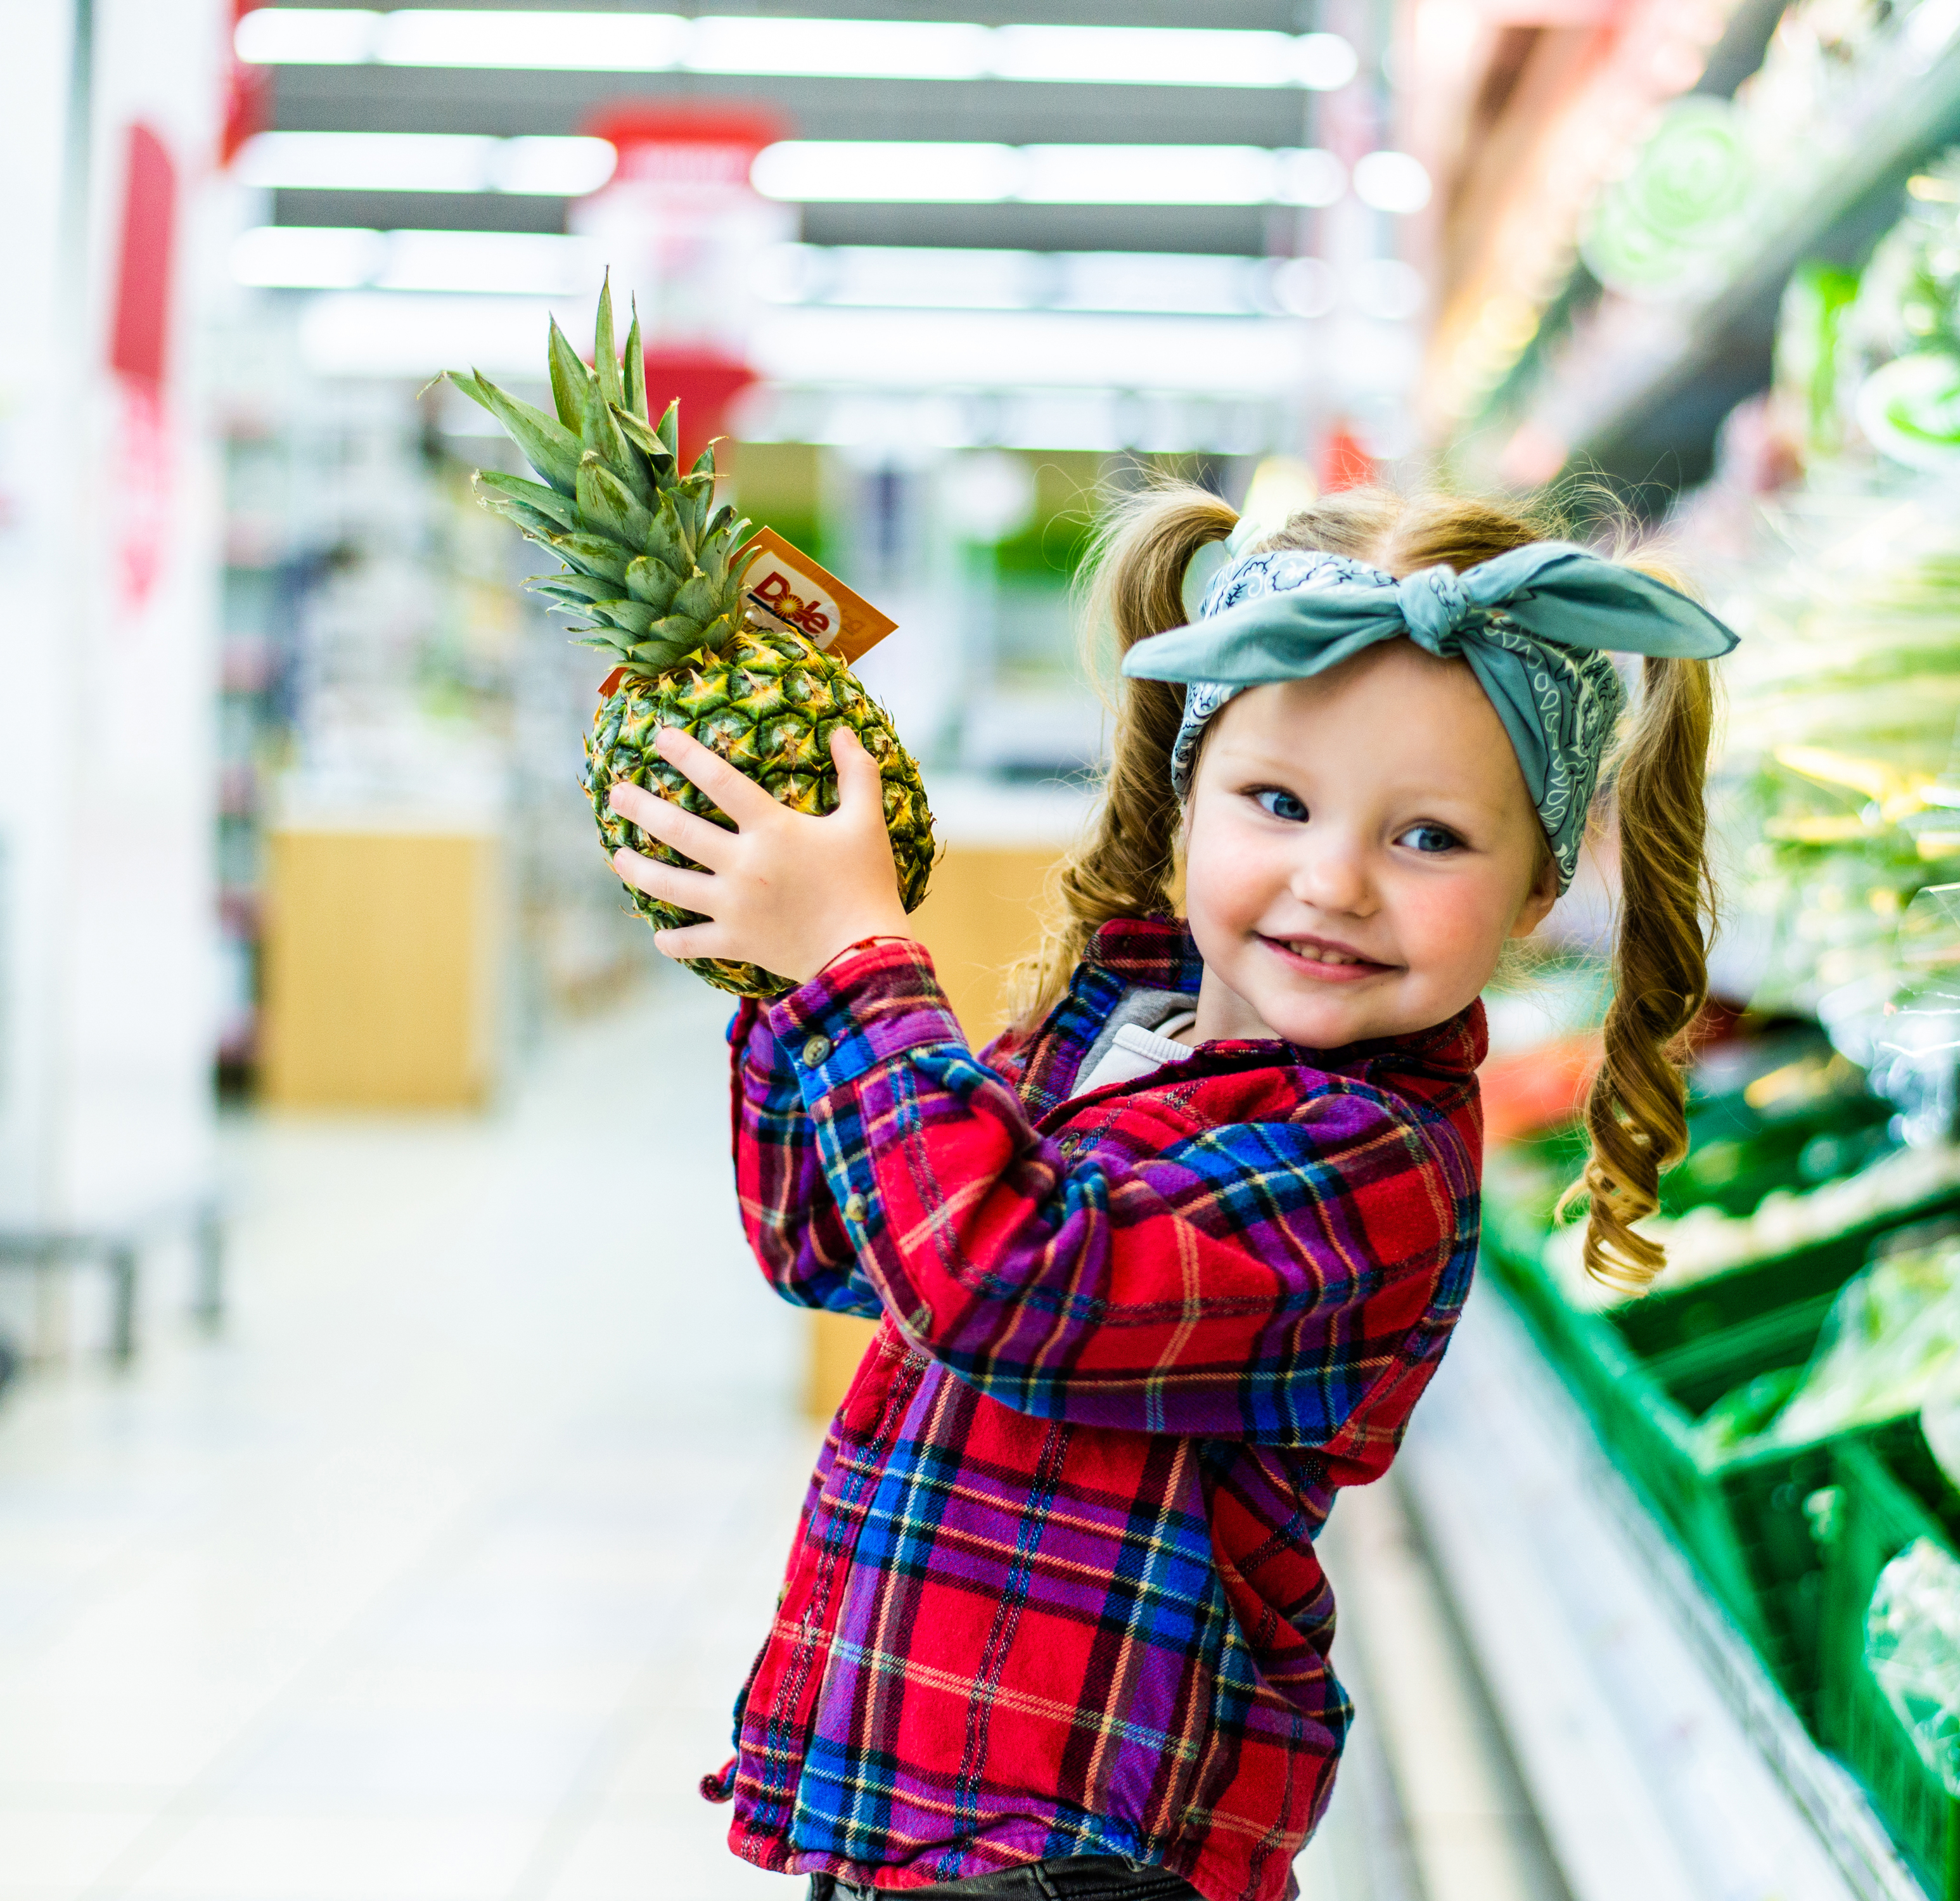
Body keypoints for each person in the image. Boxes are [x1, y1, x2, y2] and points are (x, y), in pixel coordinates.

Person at [603, 482, 1735, 1901]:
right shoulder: (1114, 1024)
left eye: (1430, 837)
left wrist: (856, 967)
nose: (1335, 879)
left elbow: (1005, 1283)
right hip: (915, 1805)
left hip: (1086, 1849)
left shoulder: (1368, 1164)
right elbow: (834, 1248)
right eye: (1278, 801)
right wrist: (783, 984)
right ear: (1186, 802)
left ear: (1537, 894)